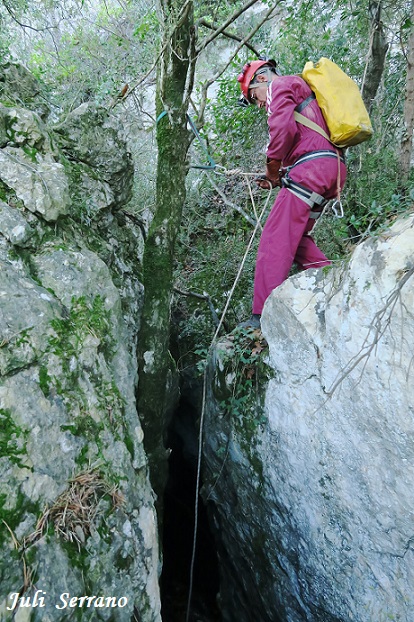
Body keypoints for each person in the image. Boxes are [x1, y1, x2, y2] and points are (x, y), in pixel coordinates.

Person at [237, 59, 347, 330]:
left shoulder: (280, 85)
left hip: (312, 170)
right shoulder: (300, 90)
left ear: (262, 79)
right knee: (295, 238)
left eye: (254, 97)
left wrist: (272, 167)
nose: (259, 103)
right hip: (329, 169)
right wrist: (277, 175)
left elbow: (282, 130)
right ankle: (334, 282)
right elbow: (302, 137)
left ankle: (262, 316)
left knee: (274, 237)